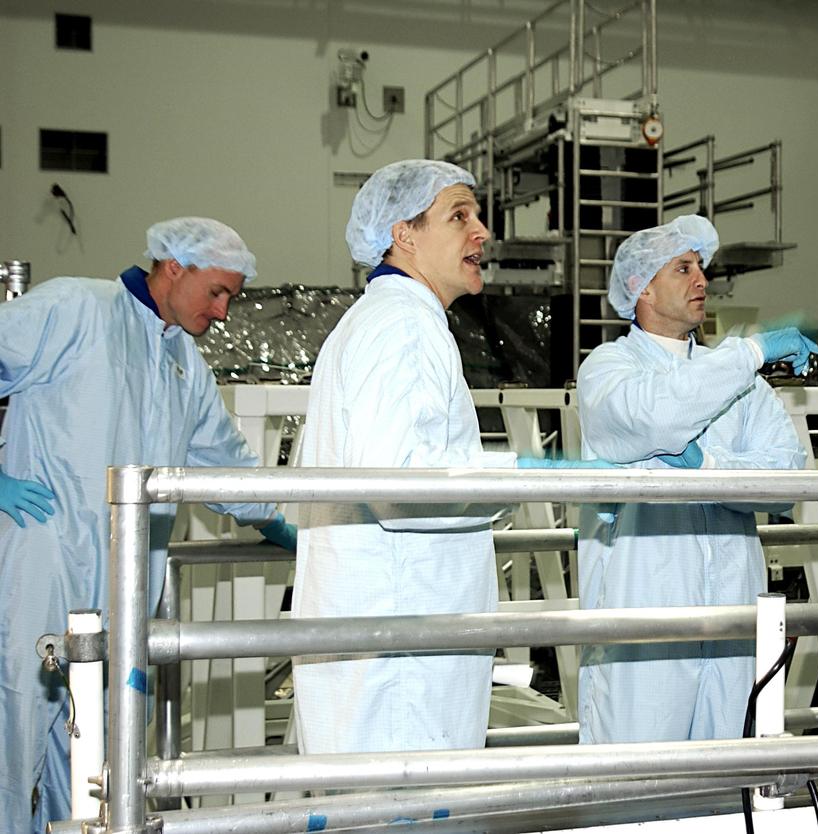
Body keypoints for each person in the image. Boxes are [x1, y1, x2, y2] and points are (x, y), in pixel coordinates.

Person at [0, 217, 296, 832]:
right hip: (42, 566)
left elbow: (225, 464)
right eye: (216, 292)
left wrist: (288, 525)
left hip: (119, 592)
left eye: (232, 299)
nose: (222, 312)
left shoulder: (182, 364)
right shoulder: (74, 308)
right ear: (173, 268)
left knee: (90, 768)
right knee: (12, 740)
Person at [292, 160, 518, 754]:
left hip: (390, 649)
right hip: (400, 663)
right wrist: (517, 475)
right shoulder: (404, 326)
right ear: (404, 234)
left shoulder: (387, 319)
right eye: (459, 215)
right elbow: (399, 484)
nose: (482, 232)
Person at [575, 214, 818, 744]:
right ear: (641, 287)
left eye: (701, 268)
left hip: (732, 609)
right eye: (683, 268)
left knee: (724, 782)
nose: (701, 281)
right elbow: (659, 416)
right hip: (643, 613)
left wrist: (708, 469)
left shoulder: (740, 384)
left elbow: (787, 479)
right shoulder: (607, 370)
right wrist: (750, 351)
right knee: (637, 781)